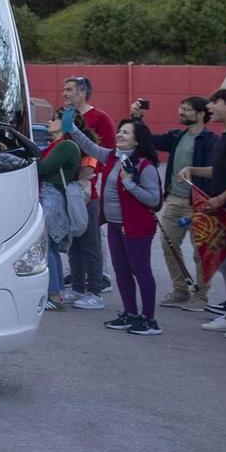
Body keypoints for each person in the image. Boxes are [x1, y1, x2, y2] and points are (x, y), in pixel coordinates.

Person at [63, 114, 164, 334]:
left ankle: (149, 319)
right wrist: (70, 126)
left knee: (141, 271)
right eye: (120, 131)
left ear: (137, 140)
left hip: (136, 227)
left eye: (126, 132)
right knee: (121, 271)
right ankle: (130, 313)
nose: (119, 134)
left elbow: (154, 200)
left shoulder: (144, 166)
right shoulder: (111, 156)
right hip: (115, 225)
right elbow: (88, 145)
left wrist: (130, 185)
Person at [153, 97, 219, 311]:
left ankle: (200, 295)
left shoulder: (210, 140)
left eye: (187, 109)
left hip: (198, 203)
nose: (181, 112)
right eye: (180, 108)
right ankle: (180, 290)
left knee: (201, 252)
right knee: (167, 245)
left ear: (200, 114)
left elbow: (216, 172)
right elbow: (149, 140)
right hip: (173, 200)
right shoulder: (176, 136)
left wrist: (209, 201)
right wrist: (136, 118)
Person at [183, 88, 226, 338]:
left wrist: (222, 198)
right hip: (224, 208)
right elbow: (219, 170)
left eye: (214, 102)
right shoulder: (225, 135)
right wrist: (193, 169)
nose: (210, 108)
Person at [60, 75, 115, 301]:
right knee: (75, 239)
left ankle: (96, 285)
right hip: (70, 185)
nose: (65, 93)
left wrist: (91, 174)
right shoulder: (66, 117)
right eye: (64, 89)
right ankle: (78, 284)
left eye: (69, 89)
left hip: (89, 183)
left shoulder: (100, 118)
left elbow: (109, 152)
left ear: (82, 92)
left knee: (91, 239)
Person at [37, 112, 82, 310]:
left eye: (54, 118)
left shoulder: (65, 146)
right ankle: (54, 293)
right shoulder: (58, 145)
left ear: (65, 124)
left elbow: (43, 168)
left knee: (49, 246)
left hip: (53, 197)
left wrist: (26, 155)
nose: (49, 121)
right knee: (49, 246)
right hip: (51, 196)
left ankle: (54, 294)